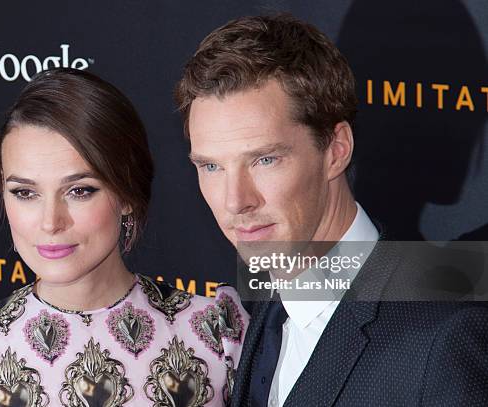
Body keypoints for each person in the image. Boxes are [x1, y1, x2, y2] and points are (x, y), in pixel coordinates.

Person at [175, 13, 488, 406]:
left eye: (265, 160)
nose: (236, 200)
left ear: (336, 150)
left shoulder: (443, 335)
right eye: (211, 166)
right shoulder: (259, 310)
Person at [0, 68, 248, 406]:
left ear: (127, 195)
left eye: (79, 190)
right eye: (25, 193)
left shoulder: (217, 331)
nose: (50, 222)